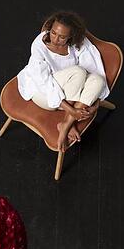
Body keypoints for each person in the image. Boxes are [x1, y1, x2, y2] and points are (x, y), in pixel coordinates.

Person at [17, 11, 109, 152]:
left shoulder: (79, 43)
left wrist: (96, 103)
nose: (55, 39)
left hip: (70, 90)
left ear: (71, 36)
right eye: (53, 33)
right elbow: (43, 82)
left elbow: (94, 70)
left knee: (98, 80)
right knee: (78, 72)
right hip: (42, 93)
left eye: (62, 37)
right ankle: (70, 120)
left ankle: (66, 124)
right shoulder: (40, 45)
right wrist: (72, 110)